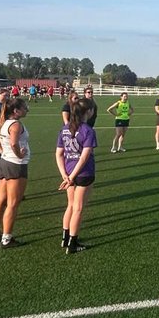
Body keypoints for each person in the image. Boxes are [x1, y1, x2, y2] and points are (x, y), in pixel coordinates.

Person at [56, 97, 97, 254]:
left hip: (68, 172)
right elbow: (84, 157)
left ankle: (65, 238)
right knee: (78, 208)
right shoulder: (88, 130)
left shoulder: (64, 129)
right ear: (88, 112)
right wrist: (72, 177)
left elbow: (59, 154)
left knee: (71, 206)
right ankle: (73, 243)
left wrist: (65, 175)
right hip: (83, 174)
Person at [0, 96, 30, 248]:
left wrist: (3, 152)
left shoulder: (3, 123)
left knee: (1, 200)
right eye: (24, 107)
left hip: (4, 162)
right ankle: (6, 238)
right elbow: (13, 143)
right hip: (15, 165)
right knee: (12, 203)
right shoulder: (16, 125)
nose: (27, 110)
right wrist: (19, 154)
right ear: (16, 111)